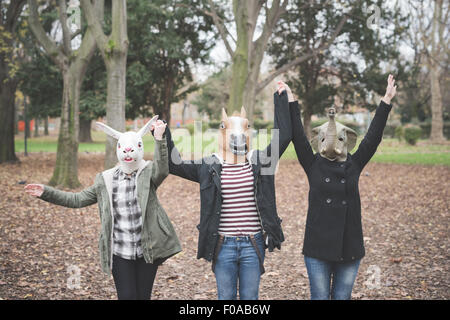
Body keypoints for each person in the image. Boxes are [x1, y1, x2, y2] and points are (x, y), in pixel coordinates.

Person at [24, 117, 181, 300]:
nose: (128, 152)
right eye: (123, 147)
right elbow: (77, 199)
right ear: (118, 149)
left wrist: (160, 139)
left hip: (147, 250)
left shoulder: (148, 173)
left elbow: (163, 169)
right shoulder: (105, 180)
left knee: (142, 296)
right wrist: (47, 192)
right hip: (119, 251)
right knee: (128, 296)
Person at [163, 82, 293, 299]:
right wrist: (163, 133)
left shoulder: (260, 161)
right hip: (223, 245)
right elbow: (173, 164)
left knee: (250, 299)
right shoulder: (209, 166)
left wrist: (282, 99)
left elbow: (285, 136)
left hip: (253, 244)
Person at [287, 74, 397, 300]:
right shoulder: (313, 164)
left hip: (349, 246)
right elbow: (298, 136)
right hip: (317, 247)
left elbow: (373, 138)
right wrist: (291, 101)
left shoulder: (354, 164)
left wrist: (386, 101)